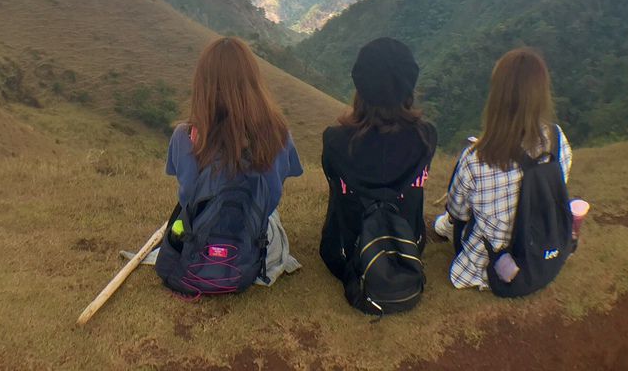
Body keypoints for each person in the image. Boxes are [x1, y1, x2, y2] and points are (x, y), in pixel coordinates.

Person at [160, 36, 303, 287]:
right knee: (273, 218)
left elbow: (185, 192)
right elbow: (275, 190)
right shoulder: (279, 135)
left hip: (196, 248)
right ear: (253, 81)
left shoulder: (185, 136)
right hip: (254, 250)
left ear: (202, 83)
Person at [435, 47, 572, 289]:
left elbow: (458, 212)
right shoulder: (558, 141)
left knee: (451, 221)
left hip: (491, 265)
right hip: (539, 250)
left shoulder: (476, 158)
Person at [319, 37, 437, 283]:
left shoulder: (335, 141)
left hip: (345, 254)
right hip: (407, 247)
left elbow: (333, 181)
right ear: (408, 88)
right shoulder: (426, 137)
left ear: (360, 86)